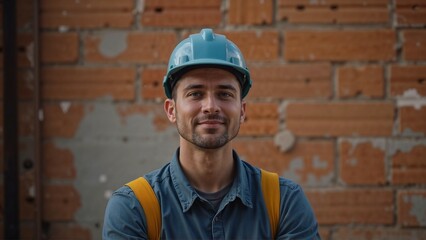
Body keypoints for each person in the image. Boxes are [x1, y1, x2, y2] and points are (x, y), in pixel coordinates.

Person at [103, 28, 320, 239]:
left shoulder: (284, 201)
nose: (211, 106)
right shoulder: (134, 207)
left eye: (224, 94)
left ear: (242, 110)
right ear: (172, 110)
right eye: (195, 93)